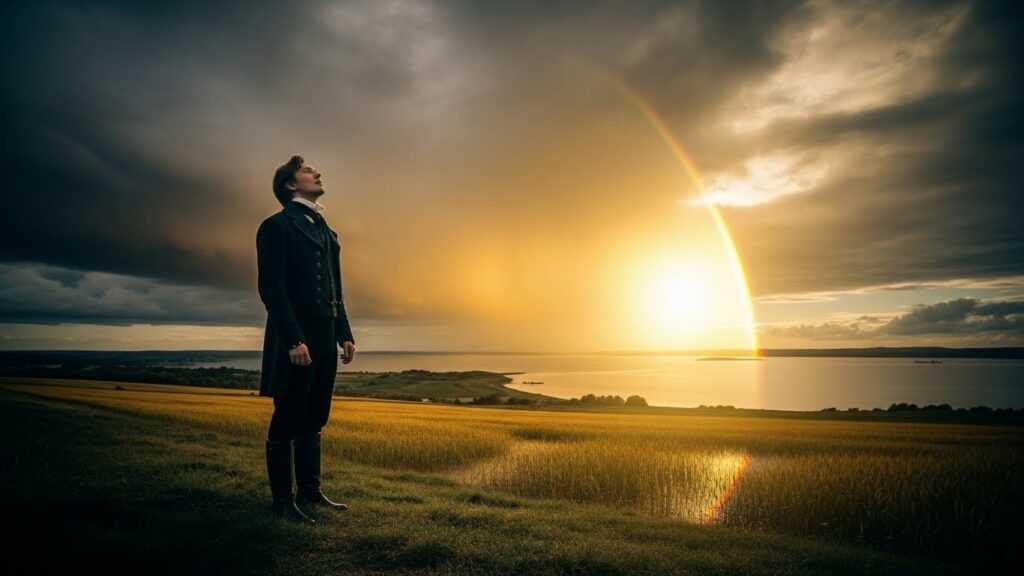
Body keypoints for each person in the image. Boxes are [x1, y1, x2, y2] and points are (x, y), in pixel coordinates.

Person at [256, 154, 356, 524]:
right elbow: (271, 287)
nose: (317, 173)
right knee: (288, 413)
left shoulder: (327, 230)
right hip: (296, 334)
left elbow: (336, 289)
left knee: (314, 416)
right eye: (307, 171)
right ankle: (282, 503)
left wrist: (343, 332)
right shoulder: (276, 225)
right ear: (290, 185)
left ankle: (309, 493)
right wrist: (293, 339)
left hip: (326, 332)